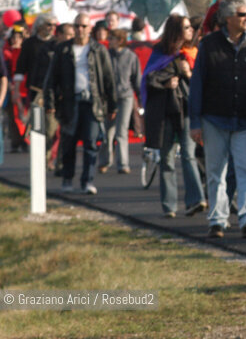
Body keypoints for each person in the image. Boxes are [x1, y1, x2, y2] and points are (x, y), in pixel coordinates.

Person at [189, 0, 246, 239]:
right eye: (242, 14)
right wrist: (195, 123)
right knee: (216, 171)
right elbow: (197, 85)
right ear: (228, 18)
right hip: (213, 118)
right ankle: (217, 220)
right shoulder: (208, 45)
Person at [44, 12, 118, 195]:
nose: (80, 30)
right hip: (70, 102)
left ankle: (88, 181)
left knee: (91, 143)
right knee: (68, 143)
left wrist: (112, 105)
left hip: (92, 103)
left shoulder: (98, 50)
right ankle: (67, 178)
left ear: (89, 28)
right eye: (77, 26)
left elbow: (109, 79)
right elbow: (51, 79)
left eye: (83, 26)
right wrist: (50, 102)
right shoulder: (63, 50)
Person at [144, 15, 207, 218]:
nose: (191, 30)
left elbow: (201, 83)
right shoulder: (160, 52)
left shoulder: (192, 53)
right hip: (166, 112)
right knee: (167, 159)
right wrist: (165, 83)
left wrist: (187, 75)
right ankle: (169, 206)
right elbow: (148, 78)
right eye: (186, 27)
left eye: (191, 27)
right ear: (176, 31)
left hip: (186, 111)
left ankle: (196, 200)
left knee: (189, 155)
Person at [100, 28, 141, 175]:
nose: (109, 41)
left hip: (125, 97)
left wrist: (141, 98)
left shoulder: (131, 56)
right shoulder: (105, 55)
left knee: (121, 131)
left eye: (111, 39)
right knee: (107, 131)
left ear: (120, 40)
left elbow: (137, 79)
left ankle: (123, 164)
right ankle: (104, 161)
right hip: (108, 98)